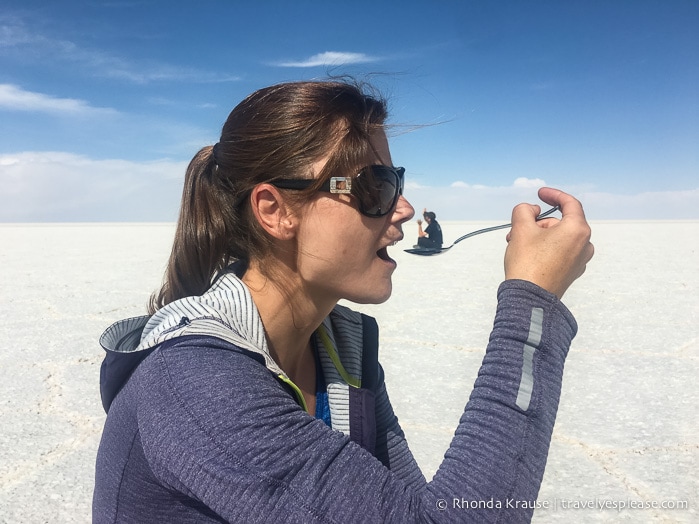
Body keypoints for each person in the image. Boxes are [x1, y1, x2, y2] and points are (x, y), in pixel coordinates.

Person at [93, 79, 593, 523]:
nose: (403, 207)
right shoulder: (196, 384)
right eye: (375, 187)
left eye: (396, 180)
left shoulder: (339, 351)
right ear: (275, 211)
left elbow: (415, 506)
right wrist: (533, 302)